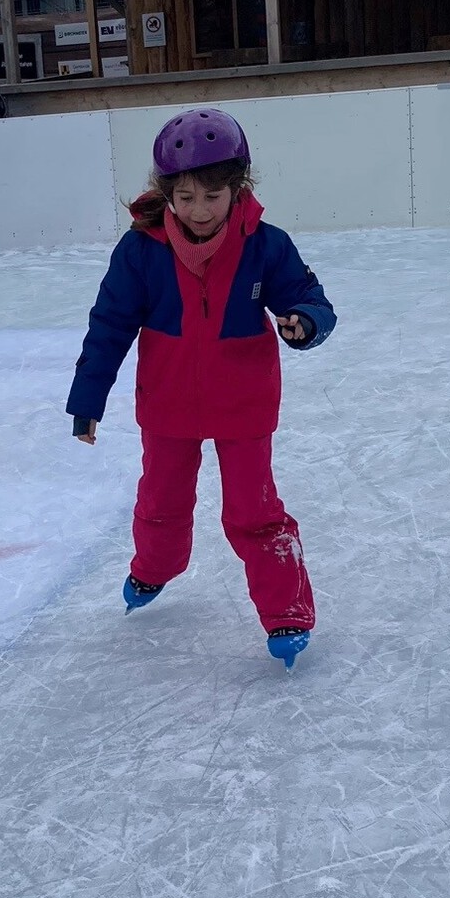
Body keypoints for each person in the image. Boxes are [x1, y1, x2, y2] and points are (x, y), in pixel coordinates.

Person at [67, 107, 336, 671]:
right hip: (168, 402)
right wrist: (88, 400)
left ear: (237, 189)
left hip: (243, 402)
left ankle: (287, 612)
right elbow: (110, 325)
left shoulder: (265, 244)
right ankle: (154, 568)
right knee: (161, 500)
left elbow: (311, 299)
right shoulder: (141, 250)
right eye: (185, 196)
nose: (199, 210)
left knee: (253, 511)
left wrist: (303, 322)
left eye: (213, 196)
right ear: (166, 193)